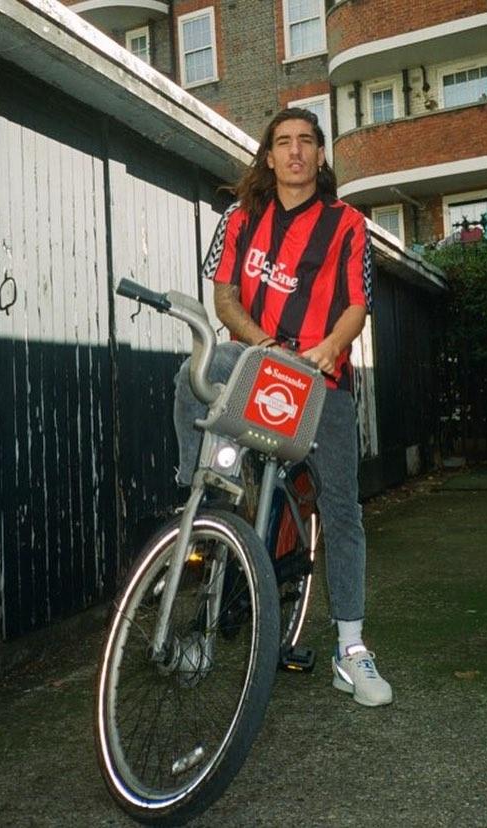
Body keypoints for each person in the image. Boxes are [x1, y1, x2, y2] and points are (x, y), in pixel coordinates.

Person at [173, 108, 392, 707]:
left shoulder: (349, 224)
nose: (294, 152)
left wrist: (327, 348)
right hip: (259, 368)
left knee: (342, 511)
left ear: (321, 156)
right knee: (196, 376)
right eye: (283, 143)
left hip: (322, 380)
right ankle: (198, 482)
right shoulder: (239, 219)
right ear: (268, 157)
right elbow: (224, 296)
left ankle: (352, 650)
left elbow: (356, 305)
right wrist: (262, 342)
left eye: (306, 143)